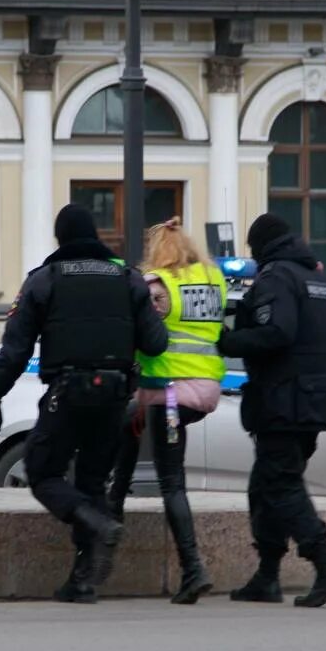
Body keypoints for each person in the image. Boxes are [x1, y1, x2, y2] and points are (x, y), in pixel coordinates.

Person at [0, 204, 168, 602]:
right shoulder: (129, 280)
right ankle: (83, 578)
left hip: (67, 393)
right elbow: (156, 342)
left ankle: (91, 520)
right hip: (116, 396)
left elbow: (14, 350)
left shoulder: (43, 280)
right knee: (93, 481)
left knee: (41, 470)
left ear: (60, 238)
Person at [217, 213, 326, 609]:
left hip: (283, 400)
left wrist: (228, 342)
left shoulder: (277, 278)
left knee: (280, 485)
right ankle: (267, 576)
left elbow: (275, 332)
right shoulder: (321, 282)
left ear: (261, 246)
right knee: (266, 487)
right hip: (315, 402)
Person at [106, 217, 227, 605]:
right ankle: (108, 532)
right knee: (128, 435)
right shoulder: (213, 280)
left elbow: (141, 332)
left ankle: (193, 569)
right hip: (205, 390)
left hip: (170, 394)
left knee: (171, 481)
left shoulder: (157, 285)